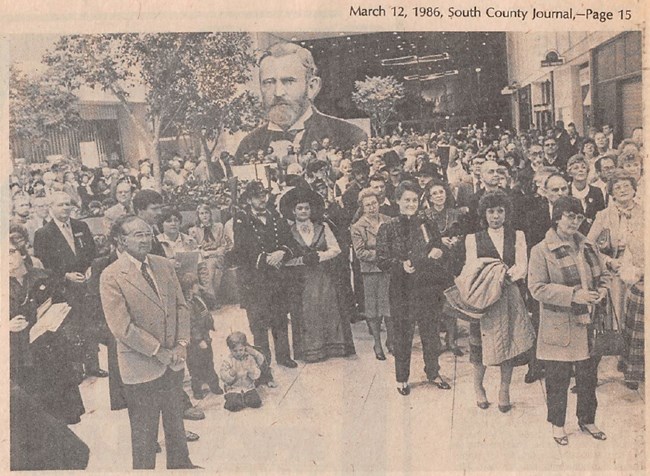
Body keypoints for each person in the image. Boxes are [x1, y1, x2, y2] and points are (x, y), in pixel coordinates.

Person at [100, 215, 197, 470]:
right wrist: (159, 351)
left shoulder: (163, 265)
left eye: (147, 233)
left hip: (173, 360)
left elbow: (181, 306)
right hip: (141, 366)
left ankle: (181, 465)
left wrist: (181, 345)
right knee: (144, 433)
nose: (145, 239)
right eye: (137, 235)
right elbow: (122, 327)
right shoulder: (111, 276)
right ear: (121, 240)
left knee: (176, 422)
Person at [528, 196, 610, 446]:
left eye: (579, 217)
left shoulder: (588, 245)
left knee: (587, 377)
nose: (574, 221)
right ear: (557, 217)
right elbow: (537, 288)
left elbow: (604, 275)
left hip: (588, 323)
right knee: (558, 379)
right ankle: (558, 424)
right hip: (559, 325)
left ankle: (587, 419)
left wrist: (603, 291)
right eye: (569, 216)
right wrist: (575, 295)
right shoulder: (541, 250)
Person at [376, 181, 452, 396]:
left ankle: (433, 373)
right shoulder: (388, 227)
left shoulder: (426, 223)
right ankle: (402, 378)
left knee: (431, 333)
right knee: (402, 335)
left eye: (414, 200)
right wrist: (401, 265)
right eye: (406, 200)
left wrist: (439, 250)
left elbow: (439, 246)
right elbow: (381, 259)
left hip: (428, 287)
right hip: (402, 289)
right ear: (398, 201)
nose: (410, 204)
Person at [235, 42, 367, 161]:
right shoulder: (248, 145)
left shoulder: (350, 137)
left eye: (289, 81)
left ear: (312, 87)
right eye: (269, 82)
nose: (278, 93)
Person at [464, 191, 533, 412]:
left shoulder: (518, 235)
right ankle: (478, 387)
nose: (496, 216)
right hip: (484, 297)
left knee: (508, 343)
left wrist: (506, 277)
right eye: (491, 211)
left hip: (509, 293)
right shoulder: (473, 238)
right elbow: (472, 267)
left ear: (507, 213)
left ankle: (504, 389)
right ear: (484, 214)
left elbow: (522, 265)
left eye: (500, 211)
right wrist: (491, 277)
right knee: (479, 345)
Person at [230, 181, 299, 381]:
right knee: (258, 322)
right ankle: (263, 360)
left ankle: (284, 355)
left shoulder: (275, 217)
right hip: (254, 278)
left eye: (264, 195)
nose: (262, 199)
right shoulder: (242, 220)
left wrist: (281, 252)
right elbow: (241, 249)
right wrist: (265, 259)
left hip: (276, 277)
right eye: (257, 196)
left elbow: (290, 241)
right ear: (249, 199)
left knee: (279, 317)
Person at [33, 191, 106, 380]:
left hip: (85, 284)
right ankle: (76, 368)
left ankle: (92, 365)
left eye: (67, 204)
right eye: (60, 205)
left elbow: (91, 251)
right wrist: (65, 276)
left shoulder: (81, 226)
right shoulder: (43, 234)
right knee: (71, 327)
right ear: (51, 207)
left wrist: (90, 268)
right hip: (63, 288)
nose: (65, 208)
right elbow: (44, 265)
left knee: (89, 325)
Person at [283, 187, 356, 362]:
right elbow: (285, 259)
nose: (303, 212)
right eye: (299, 208)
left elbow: (336, 249)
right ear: (293, 211)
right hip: (302, 280)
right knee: (308, 312)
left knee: (329, 308)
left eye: (306, 208)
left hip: (324, 276)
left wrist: (320, 256)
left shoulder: (322, 227)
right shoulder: (288, 231)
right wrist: (303, 260)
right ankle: (312, 351)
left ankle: (333, 347)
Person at [422, 180, 467, 356]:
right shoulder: (424, 216)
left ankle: (452, 340)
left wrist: (456, 240)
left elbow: (464, 234)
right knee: (435, 302)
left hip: (451, 262)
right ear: (429, 198)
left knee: (451, 301)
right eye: (434, 193)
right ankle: (437, 342)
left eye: (441, 192)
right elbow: (423, 239)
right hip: (432, 264)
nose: (439, 196)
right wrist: (438, 241)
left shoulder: (455, 214)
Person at [351, 188, 393, 359]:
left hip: (389, 270)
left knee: (389, 307)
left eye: (374, 203)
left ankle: (391, 341)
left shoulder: (388, 221)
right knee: (373, 310)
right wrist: (382, 254)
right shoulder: (358, 227)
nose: (371, 207)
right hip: (371, 272)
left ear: (379, 203)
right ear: (362, 206)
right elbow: (360, 253)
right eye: (367, 205)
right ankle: (377, 343)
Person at [179, 273, 223, 400]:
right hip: (195, 341)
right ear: (190, 288)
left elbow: (208, 308)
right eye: (196, 284)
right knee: (195, 366)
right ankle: (197, 389)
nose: (198, 286)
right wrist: (199, 340)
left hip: (205, 336)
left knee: (209, 362)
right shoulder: (187, 305)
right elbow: (191, 325)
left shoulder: (198, 299)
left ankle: (214, 385)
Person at [188, 204, 232, 306]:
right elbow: (194, 248)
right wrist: (204, 254)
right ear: (198, 215)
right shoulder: (193, 230)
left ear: (210, 214)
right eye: (201, 213)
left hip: (218, 256)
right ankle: (212, 300)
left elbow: (223, 245)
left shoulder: (219, 227)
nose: (204, 216)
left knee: (210, 265)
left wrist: (212, 253)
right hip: (202, 257)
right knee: (210, 267)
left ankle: (210, 300)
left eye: (206, 213)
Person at [220, 332, 265, 412]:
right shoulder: (228, 360)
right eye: (235, 351)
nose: (238, 353)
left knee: (256, 402)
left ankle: (243, 399)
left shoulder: (249, 359)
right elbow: (223, 375)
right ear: (230, 350)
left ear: (245, 348)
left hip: (248, 387)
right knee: (233, 405)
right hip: (233, 388)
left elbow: (257, 374)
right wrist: (230, 374)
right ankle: (237, 399)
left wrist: (251, 371)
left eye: (241, 350)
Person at [566, 155, 605, 235]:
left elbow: (602, 217)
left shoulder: (596, 192)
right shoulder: (566, 191)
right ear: (570, 173)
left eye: (583, 167)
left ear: (587, 171)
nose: (580, 170)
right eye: (576, 168)